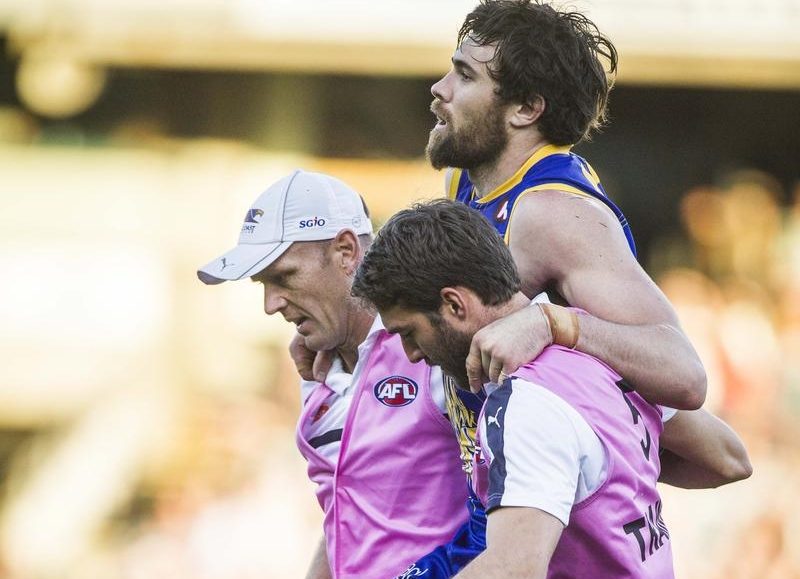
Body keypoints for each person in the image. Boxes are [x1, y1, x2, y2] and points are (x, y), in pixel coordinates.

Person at [351, 200, 751, 577]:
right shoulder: (599, 355)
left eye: (409, 332)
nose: (411, 354)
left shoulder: (525, 404)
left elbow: (512, 570)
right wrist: (601, 477)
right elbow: (727, 458)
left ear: (455, 304)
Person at [196, 171, 474, 579]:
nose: (271, 304)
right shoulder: (317, 368)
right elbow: (348, 517)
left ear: (346, 251)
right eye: (262, 284)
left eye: (284, 277)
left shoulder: (435, 347)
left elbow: (505, 513)